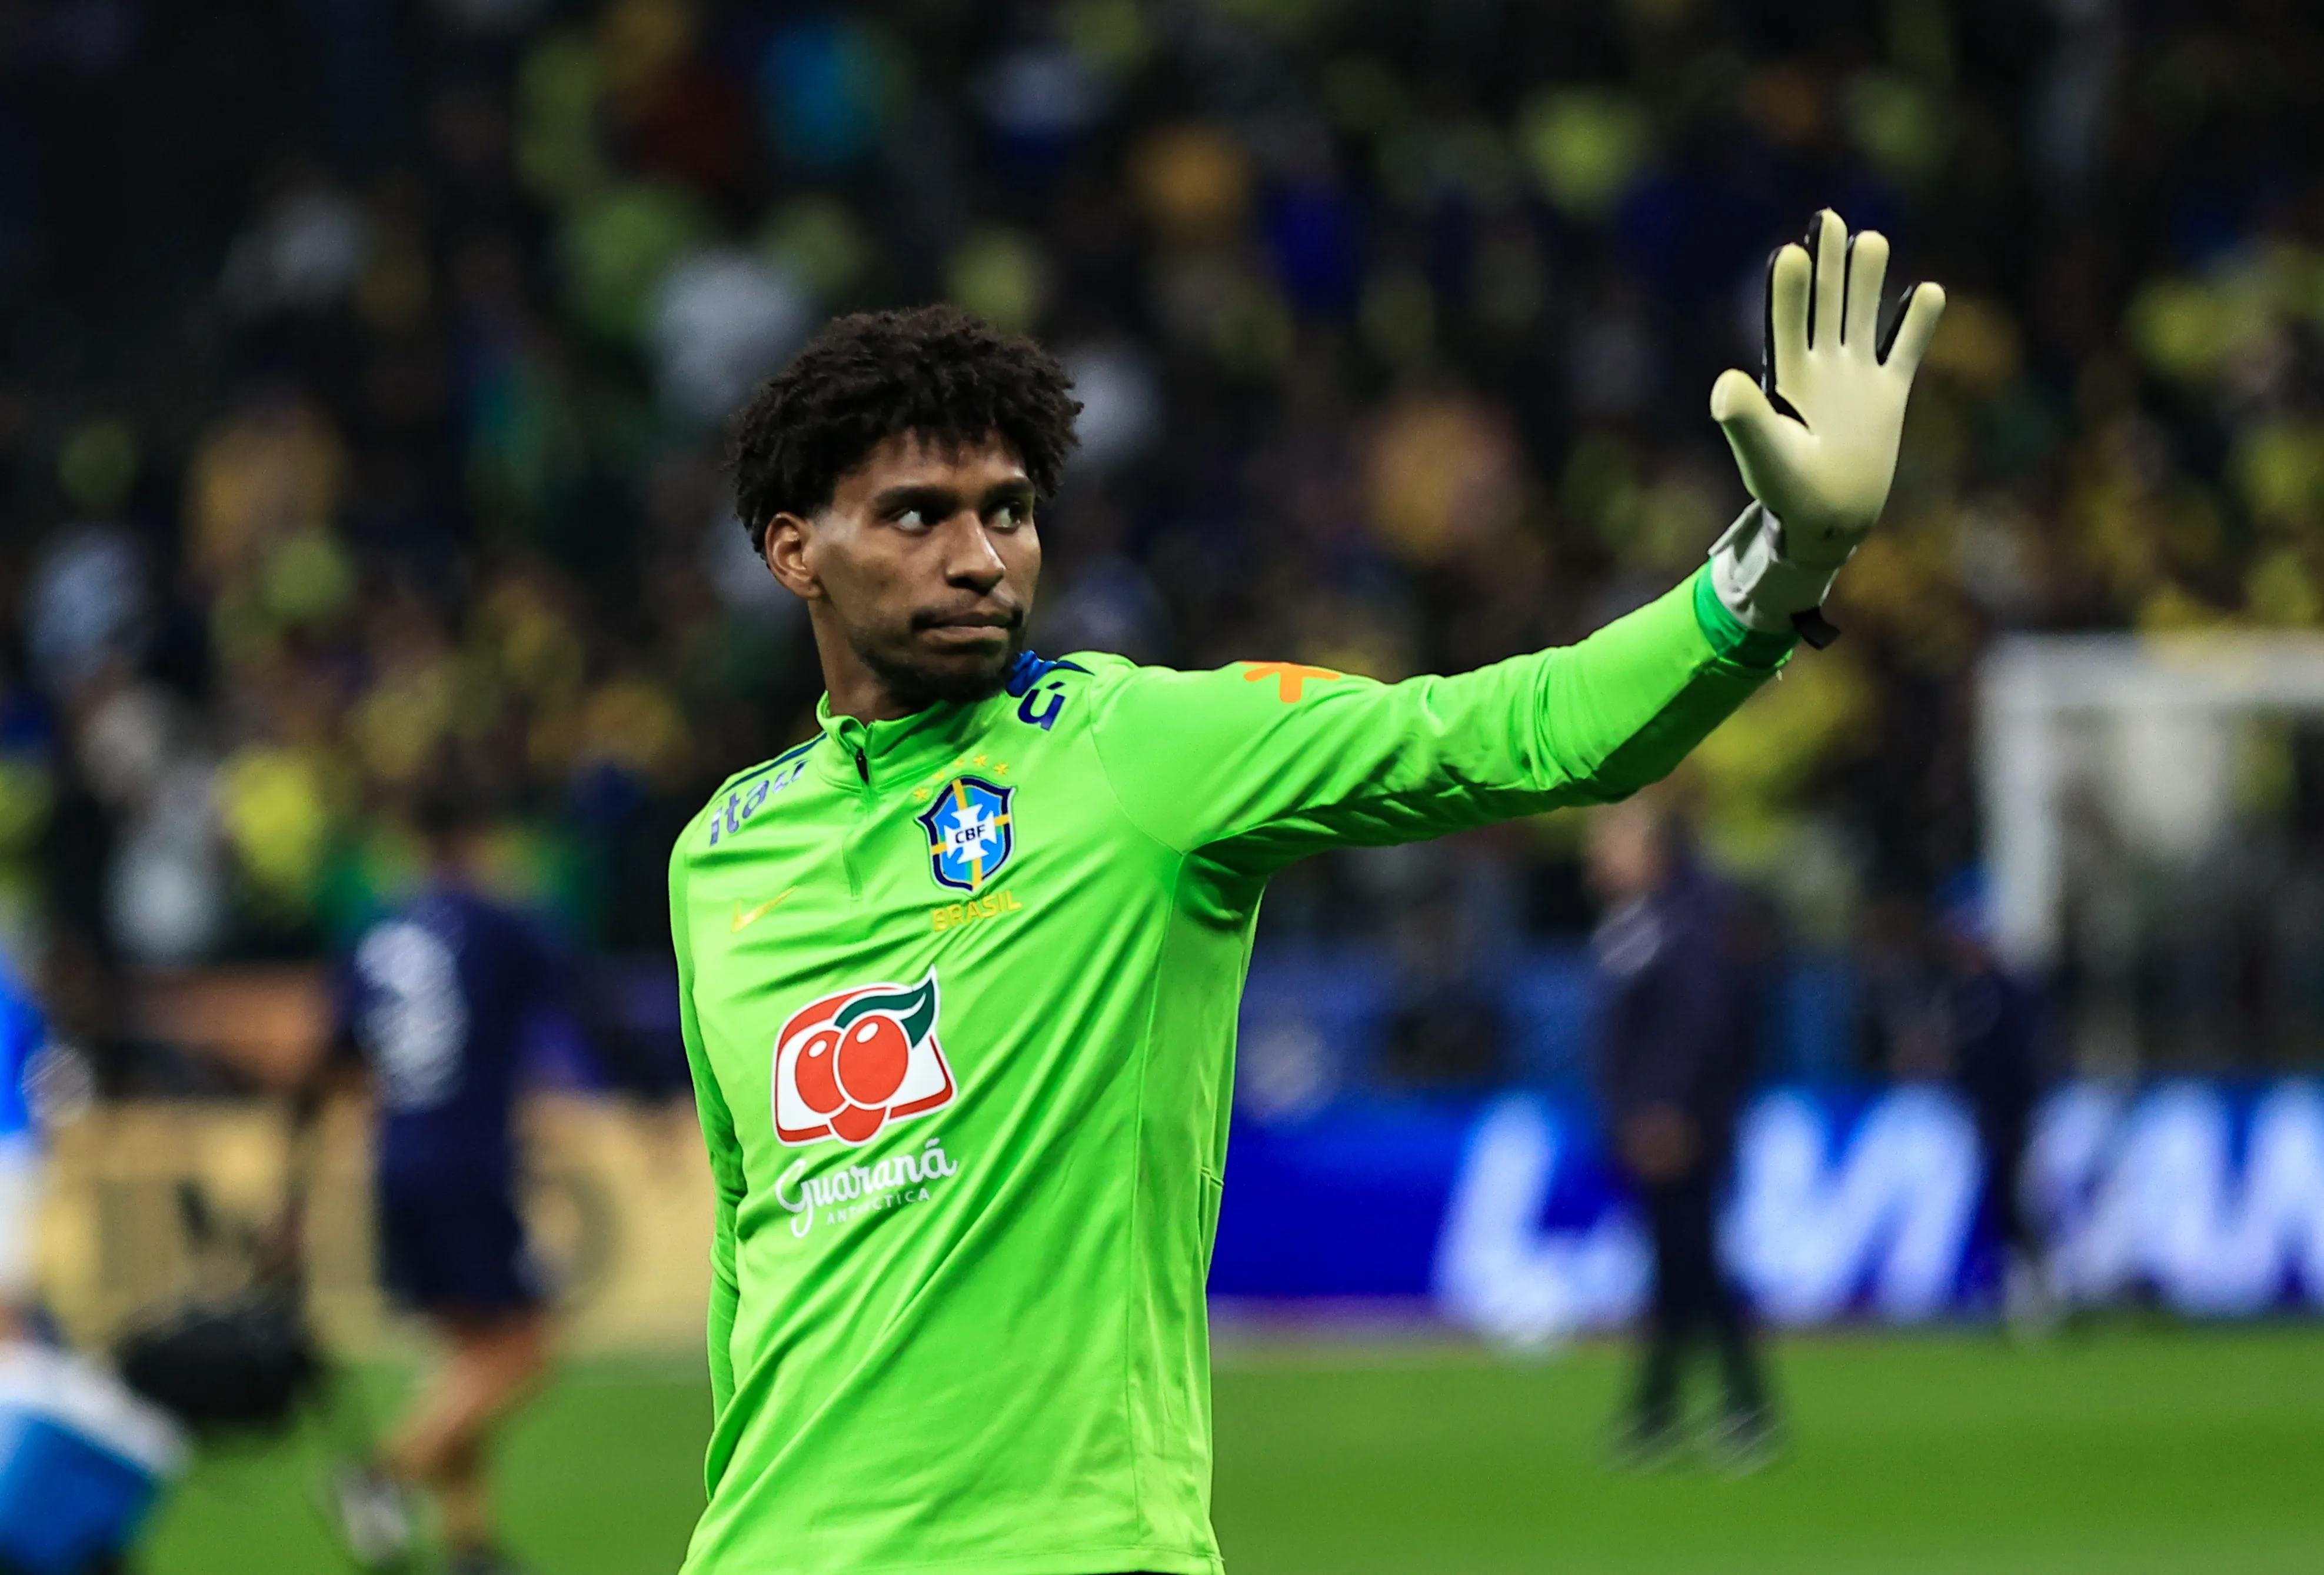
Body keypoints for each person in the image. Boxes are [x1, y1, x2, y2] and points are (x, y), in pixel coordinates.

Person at [672, 211, 1943, 1571]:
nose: (981, 557)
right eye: (918, 515)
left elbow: (1525, 729)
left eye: (1010, 511)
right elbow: (756, 1258)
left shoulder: (1141, 754)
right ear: (794, 551)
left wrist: (1777, 568)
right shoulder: (721, 856)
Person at [289, 782, 565, 1575]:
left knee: (467, 1353)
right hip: (470, 1159)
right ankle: (380, 1473)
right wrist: (650, 1096)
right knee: (523, 1351)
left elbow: (333, 1061)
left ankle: (469, 1544)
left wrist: (296, 1186)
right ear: (480, 840)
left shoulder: (373, 930)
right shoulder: (503, 921)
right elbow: (579, 1003)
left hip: (396, 1159)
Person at [1586, 797, 1773, 1470]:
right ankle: (1659, 1413)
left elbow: (1696, 1025)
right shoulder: (1640, 920)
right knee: (1675, 1266)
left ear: (1652, 850)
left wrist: (1667, 1109)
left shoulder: (1682, 923)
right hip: (1657, 1120)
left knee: (1692, 1263)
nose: (1597, 857)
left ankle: (1745, 1409)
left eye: (1612, 843)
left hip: (1680, 1126)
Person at [1932, 870, 2053, 1334]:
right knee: (2001, 1202)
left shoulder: (2006, 989)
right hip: (1985, 1115)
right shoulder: (1965, 991)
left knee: (2015, 1201)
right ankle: (2011, 1294)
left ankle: (2032, 1295)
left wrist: (2021, 1109)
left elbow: (2024, 1056)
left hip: (2011, 1113)